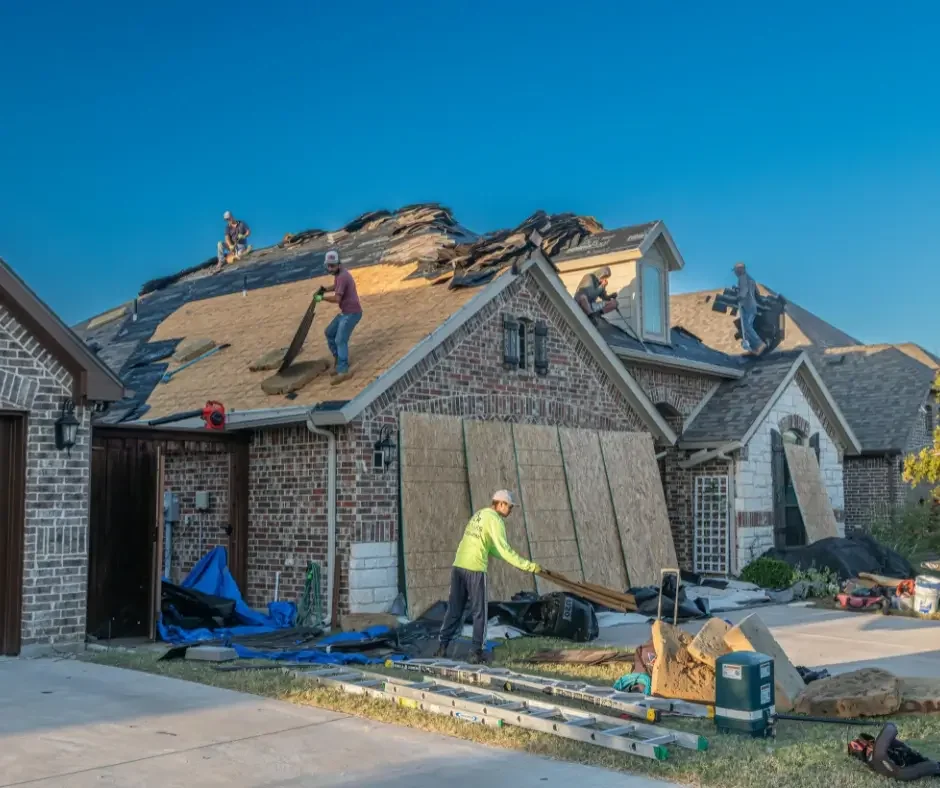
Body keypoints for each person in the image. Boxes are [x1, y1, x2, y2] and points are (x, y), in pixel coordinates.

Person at [435, 490, 541, 664]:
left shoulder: (480, 515)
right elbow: (505, 550)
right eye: (510, 507)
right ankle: (476, 652)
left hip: (459, 566)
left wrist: (510, 559)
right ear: (500, 504)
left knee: (454, 610)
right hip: (475, 568)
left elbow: (493, 549)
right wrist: (528, 566)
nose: (511, 511)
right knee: (480, 613)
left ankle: (442, 647)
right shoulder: (495, 520)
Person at [314, 250, 362, 384]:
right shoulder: (339, 274)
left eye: (332, 266)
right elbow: (336, 286)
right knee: (329, 333)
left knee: (340, 339)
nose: (330, 268)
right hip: (345, 312)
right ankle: (339, 360)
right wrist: (325, 289)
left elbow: (337, 299)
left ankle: (343, 371)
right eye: (328, 266)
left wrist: (322, 298)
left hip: (352, 313)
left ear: (339, 264)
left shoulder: (342, 276)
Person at [733, 262, 766, 355]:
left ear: (739, 270)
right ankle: (753, 349)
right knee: (748, 327)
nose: (735, 273)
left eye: (735, 271)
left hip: (746, 306)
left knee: (746, 326)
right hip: (753, 306)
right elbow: (757, 294)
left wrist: (738, 296)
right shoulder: (751, 279)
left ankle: (759, 344)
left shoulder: (742, 278)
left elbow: (744, 291)